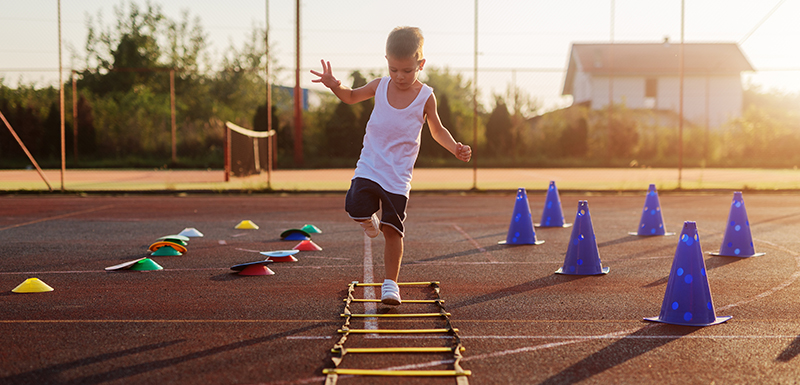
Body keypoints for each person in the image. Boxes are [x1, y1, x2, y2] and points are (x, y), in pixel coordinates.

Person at [311, 26, 472, 305]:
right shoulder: (379, 85)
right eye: (394, 69)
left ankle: (390, 285)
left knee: (392, 231)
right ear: (387, 60)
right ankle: (367, 222)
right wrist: (334, 84)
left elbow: (437, 130)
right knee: (354, 206)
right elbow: (350, 97)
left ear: (420, 64)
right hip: (370, 165)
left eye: (407, 70)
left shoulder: (426, 97)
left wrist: (455, 147)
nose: (399, 76)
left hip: (398, 176)